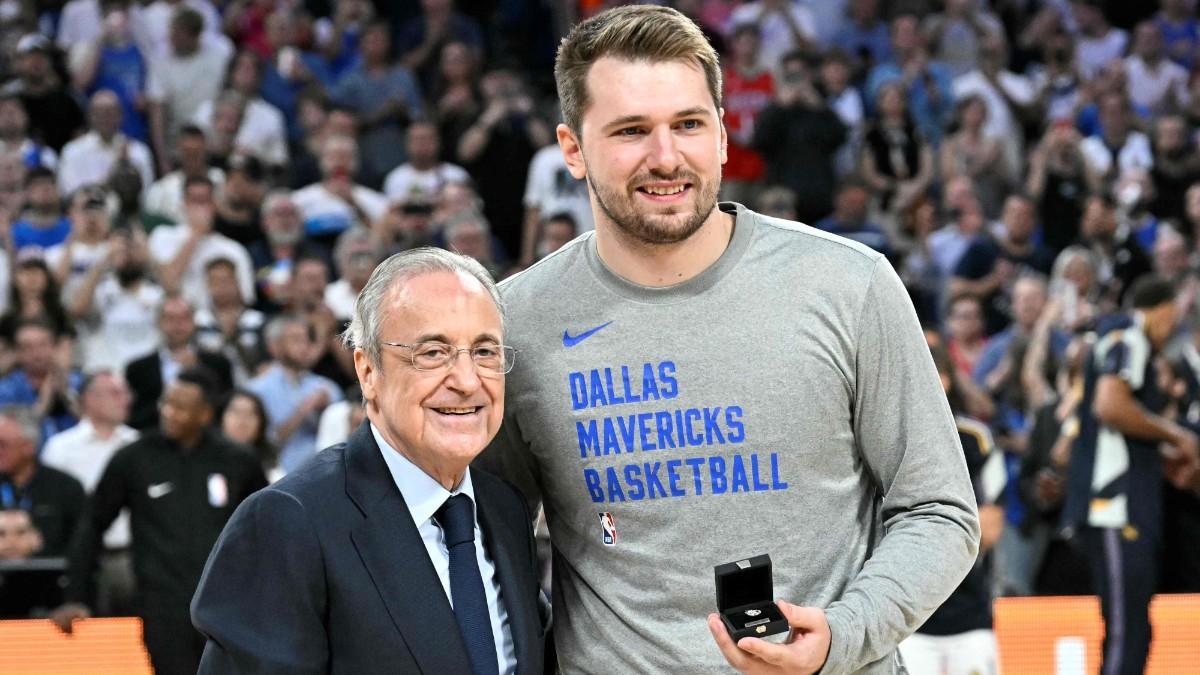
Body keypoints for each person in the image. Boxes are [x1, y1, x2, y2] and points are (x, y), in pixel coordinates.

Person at [479, 6, 979, 674]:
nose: (666, 156)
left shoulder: (848, 283)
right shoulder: (515, 321)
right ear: (572, 148)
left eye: (688, 124)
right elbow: (489, 543)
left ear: (720, 133)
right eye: (631, 131)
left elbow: (940, 511)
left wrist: (843, 633)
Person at [191, 248, 547, 673]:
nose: (468, 381)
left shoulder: (504, 508)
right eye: (433, 352)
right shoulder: (288, 522)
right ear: (367, 371)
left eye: (485, 352)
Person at [53, 368, 267, 675]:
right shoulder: (133, 459)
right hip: (162, 609)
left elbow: (264, 530)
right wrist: (76, 595)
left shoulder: (238, 460)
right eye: (166, 403)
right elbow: (92, 523)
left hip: (228, 608)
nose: (169, 413)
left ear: (206, 414)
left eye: (181, 407)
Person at [1066, 274, 1200, 675]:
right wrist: (1176, 435)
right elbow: (1110, 405)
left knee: (1130, 628)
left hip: (1122, 504)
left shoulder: (1121, 340)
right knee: (1129, 630)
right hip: (1115, 507)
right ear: (1162, 310)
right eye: (1172, 318)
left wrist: (1160, 455)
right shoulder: (1129, 336)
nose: (1171, 329)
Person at [0, 405, 85, 557]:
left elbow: (82, 544)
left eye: (3, 445)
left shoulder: (66, 488)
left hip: (52, 577)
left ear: (28, 447)